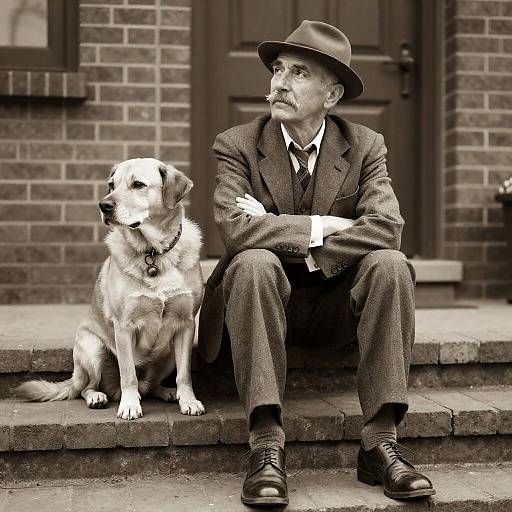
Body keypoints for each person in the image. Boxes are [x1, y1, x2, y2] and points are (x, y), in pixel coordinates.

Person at [198, 20, 435, 507]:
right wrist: (323, 224)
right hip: (258, 304)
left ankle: (379, 443)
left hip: (333, 306)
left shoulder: (366, 146)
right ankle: (265, 445)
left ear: (332, 95)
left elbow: (387, 226)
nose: (279, 83)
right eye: (278, 69)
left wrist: (296, 241)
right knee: (253, 262)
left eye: (299, 72)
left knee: (390, 264)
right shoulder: (237, 144)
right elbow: (238, 230)